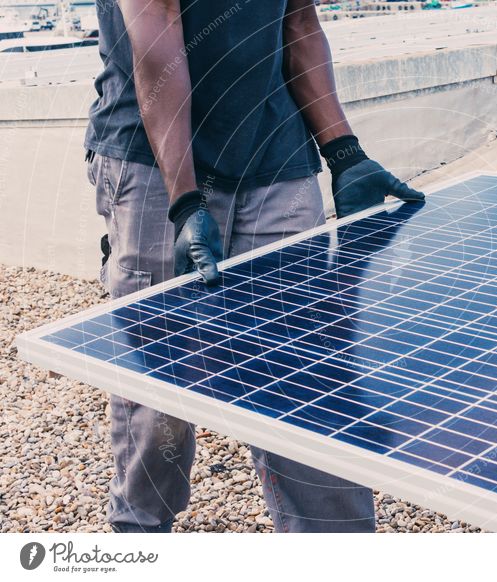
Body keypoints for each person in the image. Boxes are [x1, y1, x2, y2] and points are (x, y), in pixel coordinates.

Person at [83, 0, 425, 533]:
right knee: (161, 384)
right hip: (154, 158)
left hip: (274, 149)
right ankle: (141, 533)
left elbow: (299, 19)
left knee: (308, 369)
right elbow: (157, 28)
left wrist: (344, 152)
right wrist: (186, 201)